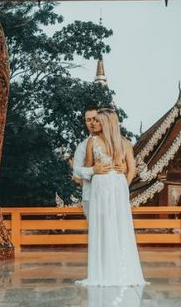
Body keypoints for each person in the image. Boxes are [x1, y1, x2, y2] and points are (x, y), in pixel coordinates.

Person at [77, 108, 146, 287]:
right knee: (102, 226)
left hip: (117, 188)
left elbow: (132, 169)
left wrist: (123, 184)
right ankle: (102, 270)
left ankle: (121, 271)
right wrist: (96, 170)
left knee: (119, 226)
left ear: (107, 123)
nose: (94, 124)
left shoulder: (125, 143)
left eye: (98, 121)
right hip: (99, 187)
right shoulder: (92, 142)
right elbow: (87, 167)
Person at [72, 107, 110, 220]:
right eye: (88, 120)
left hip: (110, 195)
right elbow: (76, 173)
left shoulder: (113, 142)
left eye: (95, 119)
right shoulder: (82, 146)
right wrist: (93, 170)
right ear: (85, 122)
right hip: (90, 196)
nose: (92, 123)